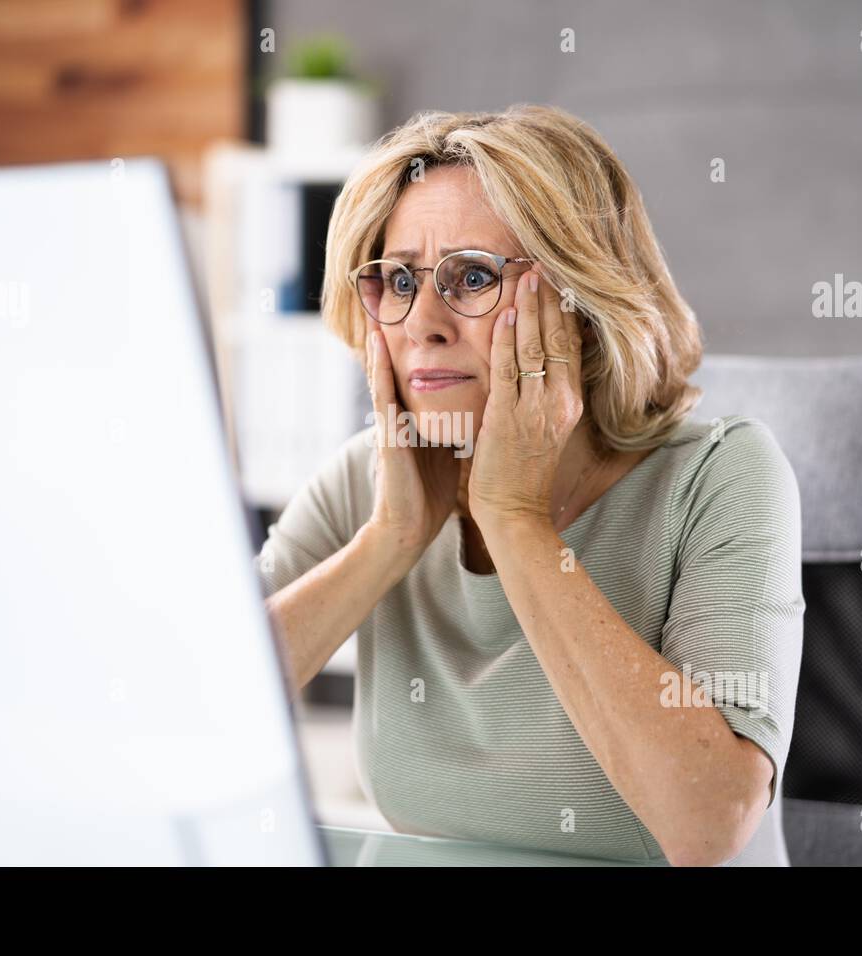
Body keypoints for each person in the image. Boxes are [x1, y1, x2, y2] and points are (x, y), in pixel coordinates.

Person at [255, 103, 805, 866]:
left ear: (582, 308)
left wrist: (513, 520)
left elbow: (706, 824)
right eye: (398, 280)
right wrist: (391, 540)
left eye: (472, 276)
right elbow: (194, 721)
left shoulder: (721, 476)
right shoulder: (365, 481)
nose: (423, 322)